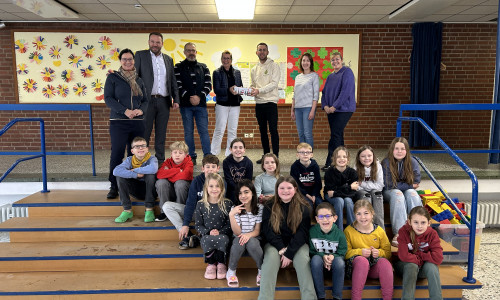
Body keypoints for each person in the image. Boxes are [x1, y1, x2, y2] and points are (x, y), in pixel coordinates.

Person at [258, 176, 317, 300]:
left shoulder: (304, 206)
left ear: (295, 189)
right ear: (276, 189)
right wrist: (281, 248)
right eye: (282, 188)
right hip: (274, 243)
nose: (285, 191)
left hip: (297, 243)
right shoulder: (269, 205)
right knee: (270, 260)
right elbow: (267, 230)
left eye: (289, 188)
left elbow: (302, 233)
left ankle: (309, 297)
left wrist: (289, 253)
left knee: (302, 261)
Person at [104, 48, 148, 199]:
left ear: (134, 61)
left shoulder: (139, 80)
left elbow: (145, 101)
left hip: (137, 123)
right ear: (120, 61)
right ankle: (114, 186)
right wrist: (124, 111)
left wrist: (141, 110)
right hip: (119, 122)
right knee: (117, 153)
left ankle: (132, 186)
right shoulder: (113, 78)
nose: (127, 62)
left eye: (130, 59)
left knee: (135, 154)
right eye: (124, 59)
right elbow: (108, 98)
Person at [135, 32, 179, 165]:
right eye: (152, 42)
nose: (155, 44)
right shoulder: (140, 55)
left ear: (162, 44)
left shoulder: (168, 59)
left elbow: (172, 81)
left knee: (161, 133)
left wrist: (176, 99)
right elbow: (135, 79)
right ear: (148, 42)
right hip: (147, 102)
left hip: (164, 101)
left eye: (158, 42)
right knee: (145, 132)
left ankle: (160, 160)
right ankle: (142, 160)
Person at [165, 154, 220, 250]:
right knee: (167, 206)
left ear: (218, 169)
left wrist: (204, 226)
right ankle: (188, 235)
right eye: (207, 167)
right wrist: (185, 224)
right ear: (202, 168)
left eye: (213, 167)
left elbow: (221, 207)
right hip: (197, 213)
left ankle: (201, 236)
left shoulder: (221, 182)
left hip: (212, 216)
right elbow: (190, 203)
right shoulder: (197, 181)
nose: (210, 169)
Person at [344, 200, 393, 300]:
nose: (363, 217)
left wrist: (379, 252)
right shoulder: (349, 231)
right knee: (362, 261)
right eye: (359, 214)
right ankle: (356, 298)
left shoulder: (379, 230)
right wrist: (360, 252)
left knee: (385, 263)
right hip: (356, 268)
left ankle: (387, 298)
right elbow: (345, 253)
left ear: (372, 213)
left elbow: (387, 252)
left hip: (373, 267)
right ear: (354, 215)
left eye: (366, 213)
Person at [174, 42, 212, 165]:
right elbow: (178, 85)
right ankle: (191, 156)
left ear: (196, 52)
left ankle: (207, 156)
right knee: (188, 132)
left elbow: (208, 85)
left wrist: (199, 97)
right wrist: (189, 97)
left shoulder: (203, 67)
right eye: (189, 50)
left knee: (204, 132)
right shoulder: (178, 67)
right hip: (186, 106)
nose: (191, 52)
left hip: (201, 106)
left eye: (193, 50)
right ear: (185, 52)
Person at [395, 206, 443, 300]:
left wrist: (420, 256)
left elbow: (438, 258)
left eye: (423, 222)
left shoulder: (432, 234)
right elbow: (403, 256)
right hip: (404, 267)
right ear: (410, 222)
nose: (419, 226)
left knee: (431, 266)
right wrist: (420, 259)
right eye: (416, 222)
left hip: (422, 268)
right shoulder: (403, 231)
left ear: (429, 223)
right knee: (411, 266)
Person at [381, 137, 422, 246]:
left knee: (412, 194)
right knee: (398, 194)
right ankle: (400, 233)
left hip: (406, 191)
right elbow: (389, 184)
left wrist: (408, 186)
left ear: (407, 150)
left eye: (402, 149)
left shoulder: (412, 161)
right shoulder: (386, 162)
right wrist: (409, 185)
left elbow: (416, 181)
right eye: (396, 148)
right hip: (389, 192)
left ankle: (417, 230)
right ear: (391, 150)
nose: (399, 151)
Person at [321, 52, 356, 171]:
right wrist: (325, 105)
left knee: (335, 135)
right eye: (332, 60)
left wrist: (334, 106)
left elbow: (346, 92)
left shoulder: (347, 72)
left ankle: (331, 162)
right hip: (331, 111)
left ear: (341, 60)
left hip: (344, 109)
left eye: (337, 59)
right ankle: (342, 162)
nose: (335, 62)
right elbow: (324, 92)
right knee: (338, 136)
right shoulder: (330, 76)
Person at [194, 173, 232, 280]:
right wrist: (208, 232)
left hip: (223, 234)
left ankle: (221, 263)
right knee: (207, 239)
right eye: (211, 186)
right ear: (206, 188)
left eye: (217, 186)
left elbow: (230, 224)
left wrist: (220, 232)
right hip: (207, 235)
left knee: (222, 239)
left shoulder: (227, 203)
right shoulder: (200, 204)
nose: (214, 189)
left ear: (222, 188)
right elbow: (198, 225)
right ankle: (211, 264)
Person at [227, 179, 264, 287]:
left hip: (254, 237)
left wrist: (248, 235)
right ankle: (231, 271)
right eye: (240, 193)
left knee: (251, 242)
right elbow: (237, 232)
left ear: (252, 192)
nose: (243, 195)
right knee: (239, 242)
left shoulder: (260, 208)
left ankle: (262, 270)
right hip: (238, 237)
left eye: (246, 192)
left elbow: (257, 230)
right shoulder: (235, 209)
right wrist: (231, 215)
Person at [112, 136, 158, 223]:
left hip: (150, 190)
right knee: (120, 176)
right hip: (135, 190)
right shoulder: (129, 160)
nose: (140, 148)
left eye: (143, 146)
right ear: (132, 151)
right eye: (137, 146)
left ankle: (149, 209)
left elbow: (153, 169)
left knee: (150, 175)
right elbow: (116, 171)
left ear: (147, 149)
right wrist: (136, 175)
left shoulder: (152, 159)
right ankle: (127, 210)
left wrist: (136, 169)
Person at [250, 42, 281, 164]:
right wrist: (250, 90)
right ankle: (266, 155)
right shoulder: (254, 69)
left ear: (267, 52)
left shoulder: (274, 66)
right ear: (256, 52)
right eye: (260, 50)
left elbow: (274, 83)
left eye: (264, 50)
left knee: (273, 130)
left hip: (271, 102)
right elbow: (253, 85)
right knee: (262, 130)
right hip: (259, 104)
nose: (262, 52)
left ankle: (276, 156)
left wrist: (259, 90)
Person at [309, 202, 347, 300]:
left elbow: (343, 251)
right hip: (318, 268)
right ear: (317, 219)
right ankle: (320, 296)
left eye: (328, 216)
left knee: (340, 262)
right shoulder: (312, 232)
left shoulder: (340, 234)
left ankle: (337, 296)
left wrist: (333, 256)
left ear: (335, 218)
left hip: (335, 267)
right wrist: (323, 256)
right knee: (315, 259)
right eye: (321, 216)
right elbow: (311, 250)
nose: (325, 219)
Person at [211, 50, 244, 157]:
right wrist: (229, 90)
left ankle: (230, 154)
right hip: (222, 105)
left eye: (228, 58)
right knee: (219, 130)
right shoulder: (216, 72)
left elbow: (241, 86)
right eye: (224, 58)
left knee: (232, 131)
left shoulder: (237, 72)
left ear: (231, 60)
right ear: (221, 60)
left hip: (235, 105)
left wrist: (240, 90)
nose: (226, 60)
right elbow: (217, 89)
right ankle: (214, 154)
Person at [155, 141, 193, 222]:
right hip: (169, 191)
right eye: (175, 152)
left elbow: (185, 175)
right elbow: (159, 175)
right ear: (171, 154)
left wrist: (168, 174)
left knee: (180, 183)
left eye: (180, 153)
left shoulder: (189, 163)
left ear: (185, 155)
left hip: (182, 192)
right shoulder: (168, 162)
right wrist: (178, 170)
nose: (177, 155)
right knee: (160, 182)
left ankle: (180, 211)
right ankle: (164, 212)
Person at [323, 146, 358, 231]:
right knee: (339, 200)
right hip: (331, 197)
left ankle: (352, 229)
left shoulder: (353, 173)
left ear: (348, 159)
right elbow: (330, 192)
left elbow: (353, 193)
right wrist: (349, 187)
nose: (341, 159)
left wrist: (336, 192)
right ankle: (338, 231)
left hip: (345, 196)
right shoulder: (329, 172)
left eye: (344, 157)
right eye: (338, 157)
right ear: (334, 159)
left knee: (348, 201)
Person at [291, 53, 319, 149]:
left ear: (310, 63)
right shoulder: (298, 77)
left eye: (307, 60)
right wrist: (292, 110)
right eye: (303, 60)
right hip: (298, 108)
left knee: (307, 133)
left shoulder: (314, 76)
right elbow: (294, 94)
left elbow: (316, 95)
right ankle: (303, 155)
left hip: (308, 108)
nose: (305, 63)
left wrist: (312, 110)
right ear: (301, 62)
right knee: (301, 133)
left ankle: (309, 156)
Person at [354, 145, 385, 229]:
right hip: (361, 192)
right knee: (366, 196)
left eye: (369, 156)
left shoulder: (378, 166)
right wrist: (369, 186)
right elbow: (356, 186)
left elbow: (380, 186)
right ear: (359, 158)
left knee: (378, 194)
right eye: (363, 156)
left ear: (373, 156)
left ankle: (380, 229)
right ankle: (368, 228)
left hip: (373, 190)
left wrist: (363, 184)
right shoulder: (356, 167)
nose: (366, 158)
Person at [290, 142, 322, 209]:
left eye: (308, 152)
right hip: (301, 193)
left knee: (320, 205)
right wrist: (307, 195)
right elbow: (295, 184)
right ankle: (307, 219)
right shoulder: (294, 167)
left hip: (314, 193)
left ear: (311, 155)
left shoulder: (315, 166)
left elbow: (318, 183)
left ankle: (320, 219)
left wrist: (313, 195)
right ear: (297, 154)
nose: (305, 154)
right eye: (302, 152)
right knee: (308, 205)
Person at [223, 138, 253, 204]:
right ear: (231, 149)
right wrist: (238, 190)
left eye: (240, 147)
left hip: (244, 189)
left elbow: (248, 180)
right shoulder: (226, 162)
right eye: (235, 147)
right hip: (231, 191)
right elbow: (228, 180)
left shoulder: (248, 163)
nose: (238, 150)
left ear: (244, 149)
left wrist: (242, 191)